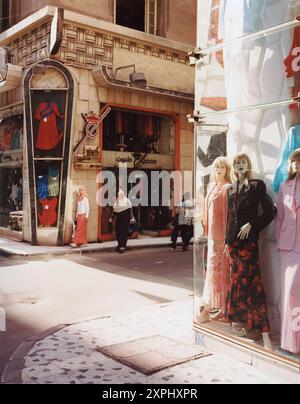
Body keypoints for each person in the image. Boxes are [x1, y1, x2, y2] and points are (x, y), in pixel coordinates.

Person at [225, 153, 277, 350]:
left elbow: (271, 212)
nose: (239, 165)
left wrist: (252, 225)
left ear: (248, 165)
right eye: (237, 162)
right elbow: (229, 218)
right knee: (237, 283)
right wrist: (225, 241)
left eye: (243, 162)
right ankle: (244, 326)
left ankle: (264, 334)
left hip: (248, 243)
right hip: (233, 245)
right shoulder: (230, 188)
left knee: (253, 284)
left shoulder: (256, 185)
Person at [197, 157, 231, 324]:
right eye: (217, 167)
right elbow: (206, 210)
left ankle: (218, 308)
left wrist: (227, 239)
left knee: (220, 271)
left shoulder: (227, 188)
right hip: (211, 236)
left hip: (221, 237)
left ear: (227, 169)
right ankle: (218, 307)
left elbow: (228, 215)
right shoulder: (211, 186)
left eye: (222, 167)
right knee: (212, 271)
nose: (219, 169)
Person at [276, 148, 300, 355]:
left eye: (299, 162)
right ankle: (290, 342)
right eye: (294, 162)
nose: (296, 165)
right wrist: (279, 241)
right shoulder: (284, 186)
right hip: (287, 247)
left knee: (295, 291)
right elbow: (280, 217)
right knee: (288, 292)